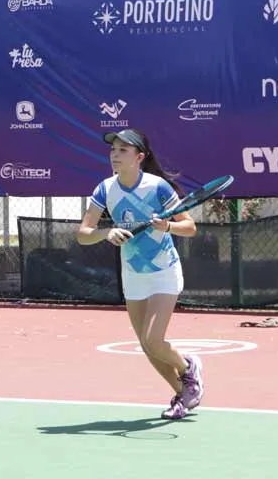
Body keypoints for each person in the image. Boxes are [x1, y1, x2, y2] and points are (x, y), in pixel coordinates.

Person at [76, 128, 204, 420]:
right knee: (147, 347)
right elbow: (83, 234)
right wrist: (106, 233)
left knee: (153, 340)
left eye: (123, 150)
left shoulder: (158, 188)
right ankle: (183, 395)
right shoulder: (105, 189)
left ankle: (188, 366)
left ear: (139, 157)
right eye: (113, 150)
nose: (115, 155)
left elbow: (190, 227)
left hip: (164, 271)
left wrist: (167, 227)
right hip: (132, 275)